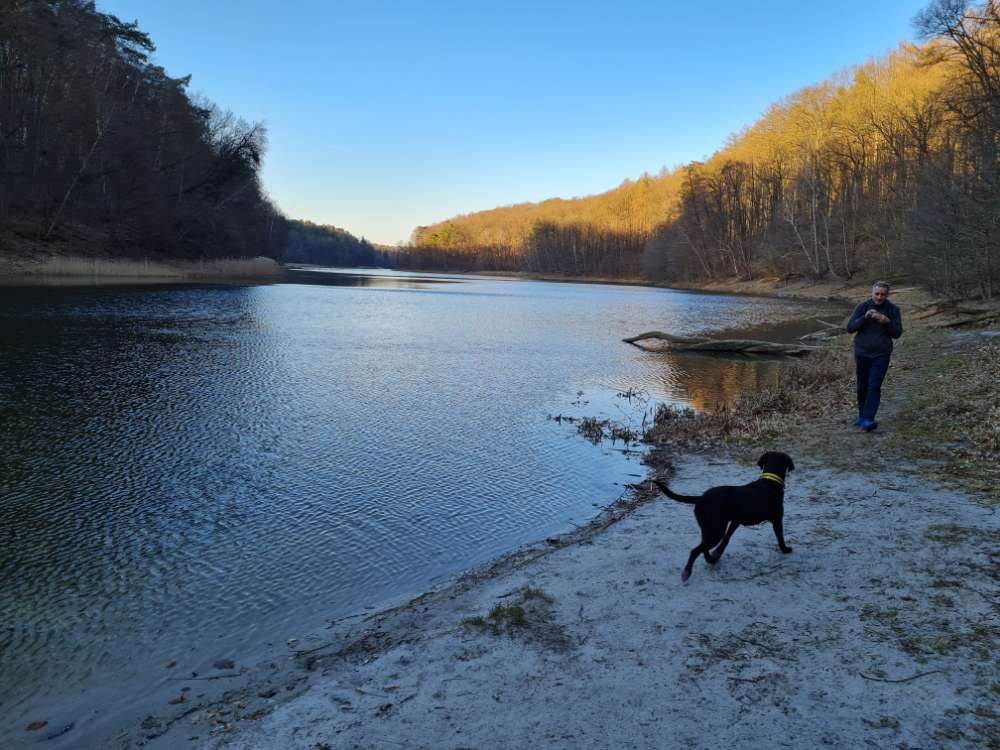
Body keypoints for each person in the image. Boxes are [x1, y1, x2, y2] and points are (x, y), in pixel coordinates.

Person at [846, 281, 903, 431]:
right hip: (862, 352)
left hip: (881, 353)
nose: (879, 297)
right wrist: (864, 318)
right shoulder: (862, 306)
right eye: (876, 294)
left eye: (882, 294)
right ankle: (861, 416)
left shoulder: (893, 309)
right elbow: (850, 328)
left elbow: (897, 333)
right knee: (862, 386)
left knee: (874, 385)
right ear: (872, 293)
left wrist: (886, 321)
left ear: (887, 295)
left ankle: (869, 419)